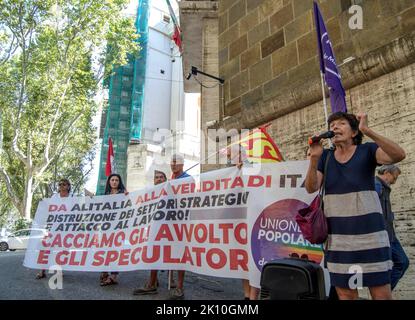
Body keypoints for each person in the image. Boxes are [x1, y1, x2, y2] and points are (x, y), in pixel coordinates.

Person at [305, 111, 405, 300]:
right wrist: (314, 159)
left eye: (341, 123)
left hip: (371, 238)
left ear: (353, 132)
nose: (334, 127)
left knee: (381, 293)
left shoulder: (367, 150)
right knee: (346, 294)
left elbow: (398, 154)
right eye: (332, 124)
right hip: (338, 240)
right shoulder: (325, 157)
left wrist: (368, 130)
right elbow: (311, 187)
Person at [226, 144, 260, 300]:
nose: (230, 159)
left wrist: (245, 168)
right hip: (238, 223)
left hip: (253, 220)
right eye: (229, 157)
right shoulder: (229, 173)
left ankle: (254, 295)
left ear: (242, 154)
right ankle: (247, 294)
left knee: (253, 258)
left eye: (232, 155)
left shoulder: (254, 167)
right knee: (242, 260)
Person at [133, 170, 167, 295]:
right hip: (152, 227)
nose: (158, 179)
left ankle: (152, 283)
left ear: (165, 179)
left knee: (158, 253)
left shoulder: (170, 190)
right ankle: (153, 280)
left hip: (166, 227)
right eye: (156, 177)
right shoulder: (150, 192)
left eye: (161, 177)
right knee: (152, 253)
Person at [375, 165, 409, 291]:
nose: (395, 181)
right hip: (382, 237)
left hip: (391, 236)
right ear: (387, 173)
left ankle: (385, 294)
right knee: (386, 269)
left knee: (403, 262)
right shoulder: (376, 185)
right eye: (394, 178)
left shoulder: (384, 187)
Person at [36, 178, 71, 279]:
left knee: (63, 250)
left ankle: (59, 270)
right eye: (60, 184)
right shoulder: (54, 197)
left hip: (67, 228)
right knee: (46, 247)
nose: (61, 186)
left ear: (68, 186)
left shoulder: (73, 197)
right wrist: (43, 202)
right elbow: (48, 207)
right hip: (54, 227)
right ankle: (42, 270)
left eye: (64, 184)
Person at [168, 154, 191, 300]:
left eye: (176, 162)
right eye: (172, 162)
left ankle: (180, 287)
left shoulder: (188, 179)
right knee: (168, 251)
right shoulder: (170, 180)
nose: (173, 164)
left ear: (182, 164)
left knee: (180, 254)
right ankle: (169, 281)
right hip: (168, 222)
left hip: (181, 222)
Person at [100, 173, 128, 286]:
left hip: (118, 227)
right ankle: (105, 271)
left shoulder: (123, 194)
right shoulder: (105, 194)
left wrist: (128, 196)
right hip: (106, 227)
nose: (114, 182)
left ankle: (114, 276)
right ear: (109, 182)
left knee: (116, 251)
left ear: (119, 182)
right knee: (105, 249)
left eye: (117, 180)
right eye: (112, 180)